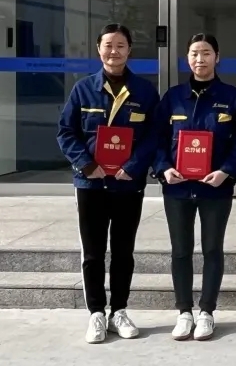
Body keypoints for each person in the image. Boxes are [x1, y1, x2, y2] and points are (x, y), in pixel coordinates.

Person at [56, 23, 160, 344]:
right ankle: (96, 313)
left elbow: (154, 135)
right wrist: (86, 164)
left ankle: (119, 311)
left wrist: (134, 166)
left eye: (120, 46)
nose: (114, 51)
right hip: (91, 184)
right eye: (108, 45)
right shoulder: (83, 89)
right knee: (93, 252)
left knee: (124, 251)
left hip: (128, 185)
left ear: (130, 50)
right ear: (99, 49)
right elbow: (66, 132)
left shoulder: (145, 92)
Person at [152, 34, 236, 341]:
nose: (200, 59)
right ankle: (184, 312)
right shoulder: (173, 97)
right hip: (177, 189)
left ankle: (206, 311)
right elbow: (156, 138)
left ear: (217, 57)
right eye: (194, 53)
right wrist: (163, 168)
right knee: (180, 251)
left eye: (206, 53)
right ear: (187, 59)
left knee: (212, 249)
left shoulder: (233, 98)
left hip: (215, 188)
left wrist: (226, 171)